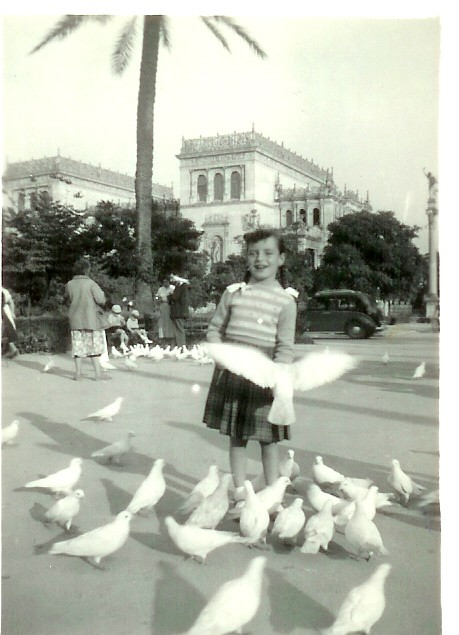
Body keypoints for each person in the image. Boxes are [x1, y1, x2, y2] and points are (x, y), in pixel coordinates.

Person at [203, 228, 297, 501]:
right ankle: (240, 493)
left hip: (265, 375)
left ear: (281, 259)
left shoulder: (286, 301)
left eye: (268, 253)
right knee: (237, 437)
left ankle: (272, 495)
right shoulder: (234, 293)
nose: (260, 259)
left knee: (269, 439)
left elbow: (285, 346)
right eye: (253, 253)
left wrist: (279, 379)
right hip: (234, 372)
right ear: (246, 258)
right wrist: (221, 355)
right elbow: (214, 329)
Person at [66, 258, 107, 381]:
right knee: (94, 347)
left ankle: (78, 373)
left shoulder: (69, 284)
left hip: (75, 319)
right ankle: (97, 374)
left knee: (78, 347)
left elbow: (68, 299)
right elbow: (101, 300)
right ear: (87, 270)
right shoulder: (91, 283)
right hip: (91, 319)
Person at [168, 274, 190, 347]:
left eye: (173, 278)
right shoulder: (180, 287)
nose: (171, 280)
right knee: (177, 329)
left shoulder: (182, 287)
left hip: (179, 312)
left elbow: (175, 297)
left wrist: (170, 294)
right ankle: (178, 345)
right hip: (177, 312)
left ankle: (181, 345)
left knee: (179, 329)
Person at [155, 277, 175, 343]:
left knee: (169, 321)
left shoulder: (172, 288)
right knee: (162, 321)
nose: (165, 283)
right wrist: (158, 300)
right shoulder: (160, 289)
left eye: (166, 282)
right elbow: (157, 297)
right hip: (162, 305)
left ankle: (170, 336)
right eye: (164, 282)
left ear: (169, 282)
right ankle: (163, 337)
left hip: (170, 306)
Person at [2, 287, 19, 359]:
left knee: (7, 331)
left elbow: (11, 302)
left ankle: (13, 350)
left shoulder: (2, 290)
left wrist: (12, 312)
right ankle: (12, 350)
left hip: (4, 312)